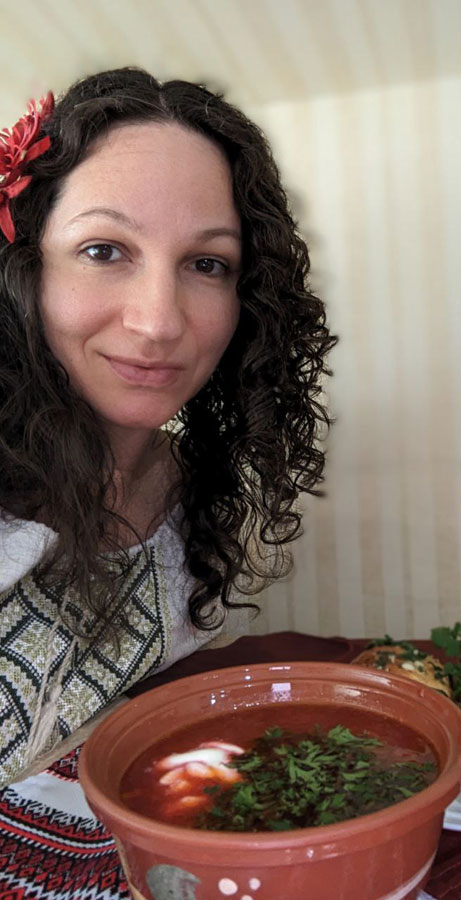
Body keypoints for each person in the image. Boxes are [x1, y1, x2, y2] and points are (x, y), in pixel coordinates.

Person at [0, 66, 336, 804]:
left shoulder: (196, 497)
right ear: (23, 269)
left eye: (206, 264)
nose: (158, 321)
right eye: (104, 250)